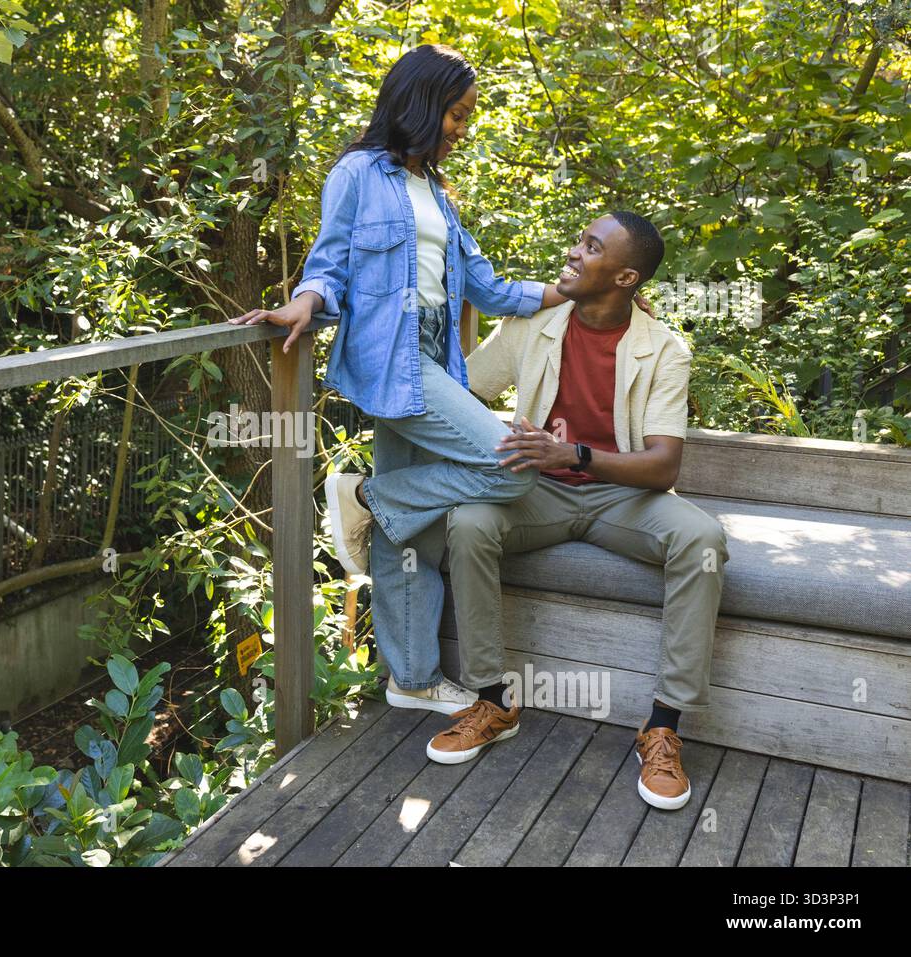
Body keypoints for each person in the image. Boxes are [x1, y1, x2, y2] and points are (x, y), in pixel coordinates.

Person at [229, 44, 570, 716]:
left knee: (406, 530)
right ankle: (365, 492)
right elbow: (330, 265)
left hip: (439, 358)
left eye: (467, 116)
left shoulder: (437, 193)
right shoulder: (358, 172)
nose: (462, 128)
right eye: (457, 113)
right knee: (513, 464)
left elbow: (490, 288)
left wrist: (579, 291)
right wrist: (305, 301)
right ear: (421, 100)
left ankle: (411, 677)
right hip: (394, 359)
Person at [426, 211, 729, 811]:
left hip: (624, 497)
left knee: (703, 540)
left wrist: (574, 453)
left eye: (591, 247)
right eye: (580, 240)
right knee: (469, 523)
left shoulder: (664, 350)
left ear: (625, 277)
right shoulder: (530, 325)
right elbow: (459, 397)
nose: (573, 252)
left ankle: (663, 728)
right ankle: (492, 701)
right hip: (535, 493)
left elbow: (664, 467)